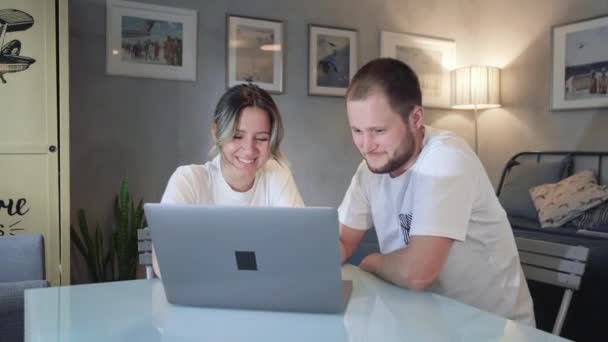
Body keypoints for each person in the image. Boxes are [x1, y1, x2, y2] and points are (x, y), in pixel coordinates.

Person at [337, 58, 535, 325]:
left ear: (416, 118)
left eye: (378, 131)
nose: (366, 145)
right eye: (357, 131)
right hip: (424, 320)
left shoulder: (446, 158)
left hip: (491, 327)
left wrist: (371, 261)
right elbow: (341, 241)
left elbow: (418, 273)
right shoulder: (369, 171)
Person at [152, 84, 304, 277]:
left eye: (262, 138)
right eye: (237, 136)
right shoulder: (188, 179)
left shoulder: (277, 173)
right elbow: (163, 264)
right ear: (216, 133)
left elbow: (298, 247)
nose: (249, 150)